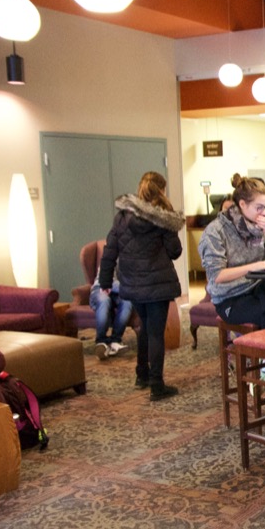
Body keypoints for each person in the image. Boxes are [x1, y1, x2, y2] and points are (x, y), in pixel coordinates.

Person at [99, 171, 184, 400]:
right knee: (155, 333)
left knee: (144, 328)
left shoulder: (122, 216)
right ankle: (157, 385)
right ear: (161, 191)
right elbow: (175, 251)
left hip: (133, 283)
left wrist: (105, 281)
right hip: (157, 283)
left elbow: (110, 251)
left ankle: (141, 375)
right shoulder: (163, 217)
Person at [199, 173, 265, 329]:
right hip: (230, 296)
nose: (264, 212)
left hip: (258, 287)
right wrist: (255, 266)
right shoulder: (216, 231)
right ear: (242, 204)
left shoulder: (258, 225)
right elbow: (217, 276)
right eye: (258, 207)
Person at [90, 275, 133, 360]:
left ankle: (115, 340)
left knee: (127, 302)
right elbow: (105, 279)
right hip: (101, 287)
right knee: (104, 300)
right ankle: (101, 341)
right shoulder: (112, 262)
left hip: (122, 290)